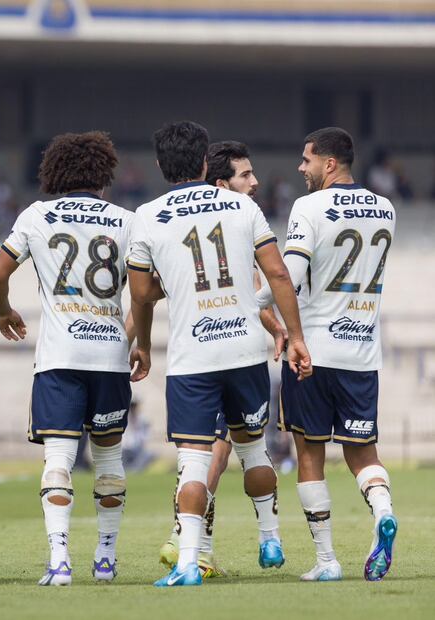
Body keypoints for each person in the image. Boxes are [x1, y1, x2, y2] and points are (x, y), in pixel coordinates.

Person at [127, 121, 312, 587]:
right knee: (253, 449)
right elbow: (278, 275)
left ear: (159, 166)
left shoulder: (147, 215)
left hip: (194, 357)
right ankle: (270, 536)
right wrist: (296, 336)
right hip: (247, 349)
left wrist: (144, 344)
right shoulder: (242, 206)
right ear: (205, 164)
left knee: (193, 461)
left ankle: (189, 562)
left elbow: (142, 295)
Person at [0, 131, 132, 586]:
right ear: (104, 174)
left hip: (59, 356)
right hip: (109, 355)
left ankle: (59, 561)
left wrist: (4, 310)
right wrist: (134, 335)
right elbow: (151, 288)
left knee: (58, 458)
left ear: (55, 173)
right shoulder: (128, 221)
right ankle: (106, 559)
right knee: (108, 460)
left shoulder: (37, 215)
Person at [255, 127, 398, 582]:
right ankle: (383, 512)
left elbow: (289, 275)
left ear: (329, 163)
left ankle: (327, 560)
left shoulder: (309, 207)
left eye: (307, 160)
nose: (301, 168)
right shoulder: (386, 208)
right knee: (363, 453)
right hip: (362, 351)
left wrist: (256, 303)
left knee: (309, 454)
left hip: (311, 350)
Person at [158, 140, 288, 578]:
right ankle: (263, 536)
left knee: (203, 456)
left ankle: (191, 545)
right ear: (219, 183)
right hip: (238, 353)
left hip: (199, 355)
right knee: (239, 450)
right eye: (245, 176)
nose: (255, 183)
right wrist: (281, 328)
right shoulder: (239, 220)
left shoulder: (188, 220)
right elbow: (263, 284)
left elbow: (247, 293)